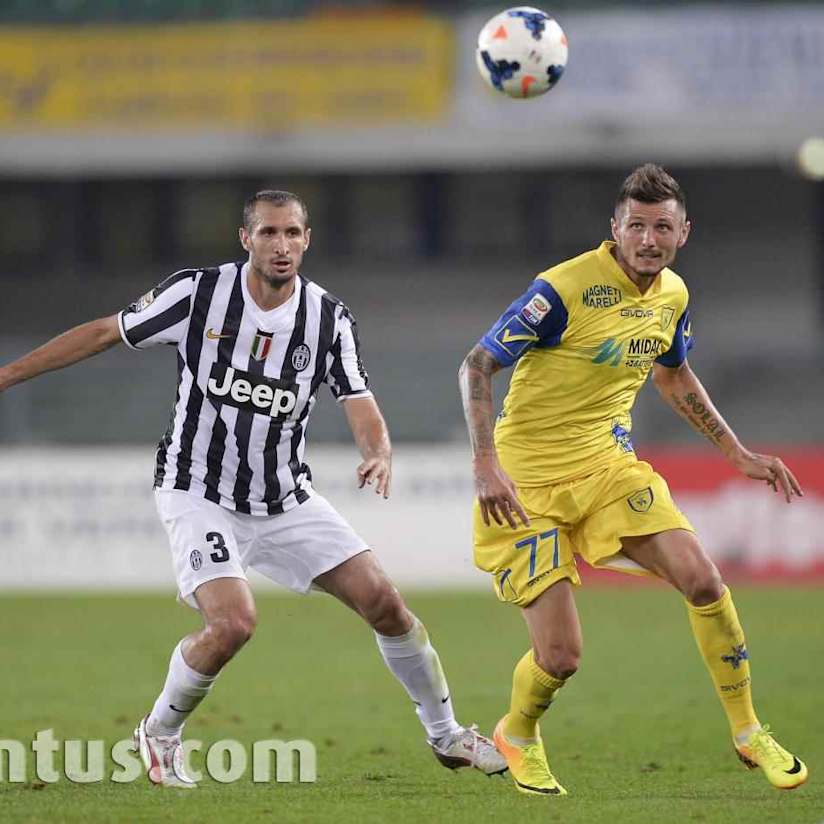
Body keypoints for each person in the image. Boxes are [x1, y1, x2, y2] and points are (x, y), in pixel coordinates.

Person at [0, 189, 505, 788]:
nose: (281, 245)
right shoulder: (198, 294)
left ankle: (446, 736)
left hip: (284, 497)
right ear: (246, 239)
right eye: (268, 233)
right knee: (233, 624)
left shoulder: (327, 318)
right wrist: (8, 375)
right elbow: (106, 332)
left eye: (292, 233)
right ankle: (158, 733)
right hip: (197, 486)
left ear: (306, 240)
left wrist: (378, 451)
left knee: (387, 606)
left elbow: (358, 399)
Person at [457, 164, 808, 797]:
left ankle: (749, 730)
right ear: (615, 228)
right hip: (526, 484)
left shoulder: (672, 295)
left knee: (703, 579)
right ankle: (518, 732)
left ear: (683, 232)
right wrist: (485, 466)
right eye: (637, 226)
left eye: (662, 227)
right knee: (561, 657)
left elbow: (674, 375)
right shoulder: (562, 289)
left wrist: (736, 452)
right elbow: (478, 364)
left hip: (609, 470)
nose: (649, 239)